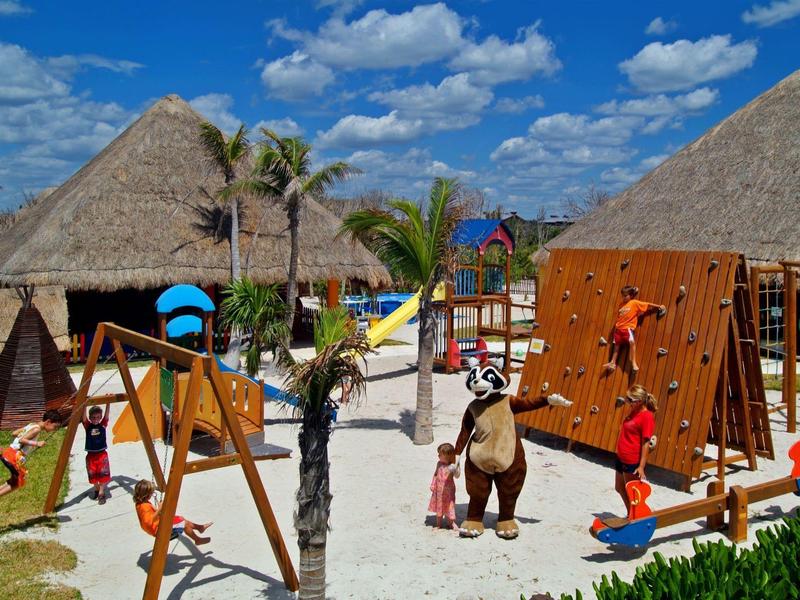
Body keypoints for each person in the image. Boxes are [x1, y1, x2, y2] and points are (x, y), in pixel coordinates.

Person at [614, 385, 657, 513]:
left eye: (630, 400)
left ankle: (634, 516)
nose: (627, 402)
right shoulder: (634, 411)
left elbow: (646, 443)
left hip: (631, 461)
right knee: (619, 488)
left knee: (632, 493)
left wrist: (641, 466)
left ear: (639, 402)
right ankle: (631, 514)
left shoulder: (647, 417)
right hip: (621, 457)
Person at [603, 286, 666, 373]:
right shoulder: (621, 305)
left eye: (625, 296)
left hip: (627, 328)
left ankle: (633, 362)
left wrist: (659, 306)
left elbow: (646, 304)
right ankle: (612, 362)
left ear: (631, 295)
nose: (624, 297)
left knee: (632, 343)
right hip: (618, 329)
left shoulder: (634, 302)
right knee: (616, 347)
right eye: (623, 296)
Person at [0, 410, 63, 497]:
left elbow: (14, 433)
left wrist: (22, 432)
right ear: (48, 422)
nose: (54, 430)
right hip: (13, 457)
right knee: (18, 483)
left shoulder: (31, 425)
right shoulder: (36, 429)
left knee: (14, 480)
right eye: (55, 427)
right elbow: (22, 440)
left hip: (8, 453)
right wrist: (37, 443)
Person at [133, 480, 212, 545]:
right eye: (151, 493)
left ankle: (200, 528)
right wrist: (159, 509)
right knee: (184, 524)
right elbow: (148, 522)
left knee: (180, 518)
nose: (152, 494)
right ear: (146, 494)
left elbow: (150, 517)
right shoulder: (145, 506)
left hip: (158, 525)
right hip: (158, 530)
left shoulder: (140, 503)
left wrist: (159, 511)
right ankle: (197, 539)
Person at [428, 442, 460, 531]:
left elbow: (457, 476)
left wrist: (456, 468)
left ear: (447, 456)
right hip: (438, 490)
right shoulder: (439, 464)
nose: (438, 456)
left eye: (440, 455)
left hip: (449, 491)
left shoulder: (452, 466)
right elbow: (435, 474)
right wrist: (433, 484)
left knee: (450, 506)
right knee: (439, 506)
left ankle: (451, 523)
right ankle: (438, 524)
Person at [83, 403, 111, 504]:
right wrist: (85, 404)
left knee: (103, 474)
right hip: (91, 455)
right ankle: (96, 489)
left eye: (98, 417)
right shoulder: (88, 426)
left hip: (102, 454)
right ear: (90, 418)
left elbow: (106, 416)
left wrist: (108, 403)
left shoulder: (102, 425)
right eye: (93, 417)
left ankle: (101, 493)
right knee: (93, 475)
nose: (96, 419)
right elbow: (84, 417)